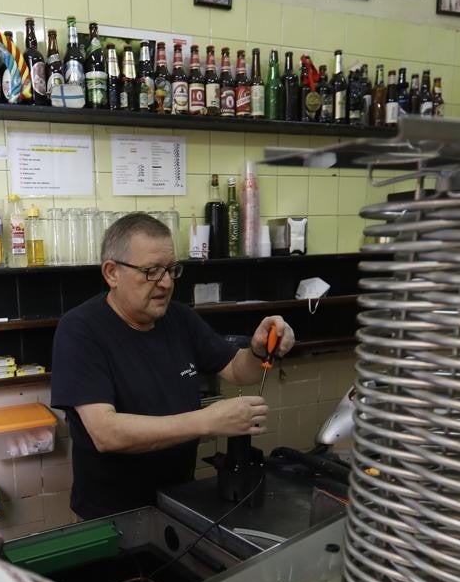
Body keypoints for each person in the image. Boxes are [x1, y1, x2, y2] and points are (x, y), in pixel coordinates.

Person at [51, 213, 295, 519]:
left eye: (170, 269)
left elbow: (236, 369)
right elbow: (106, 433)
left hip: (178, 501)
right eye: (151, 271)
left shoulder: (178, 319)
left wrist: (258, 351)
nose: (166, 283)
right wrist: (207, 421)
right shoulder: (81, 330)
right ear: (112, 273)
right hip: (111, 514)